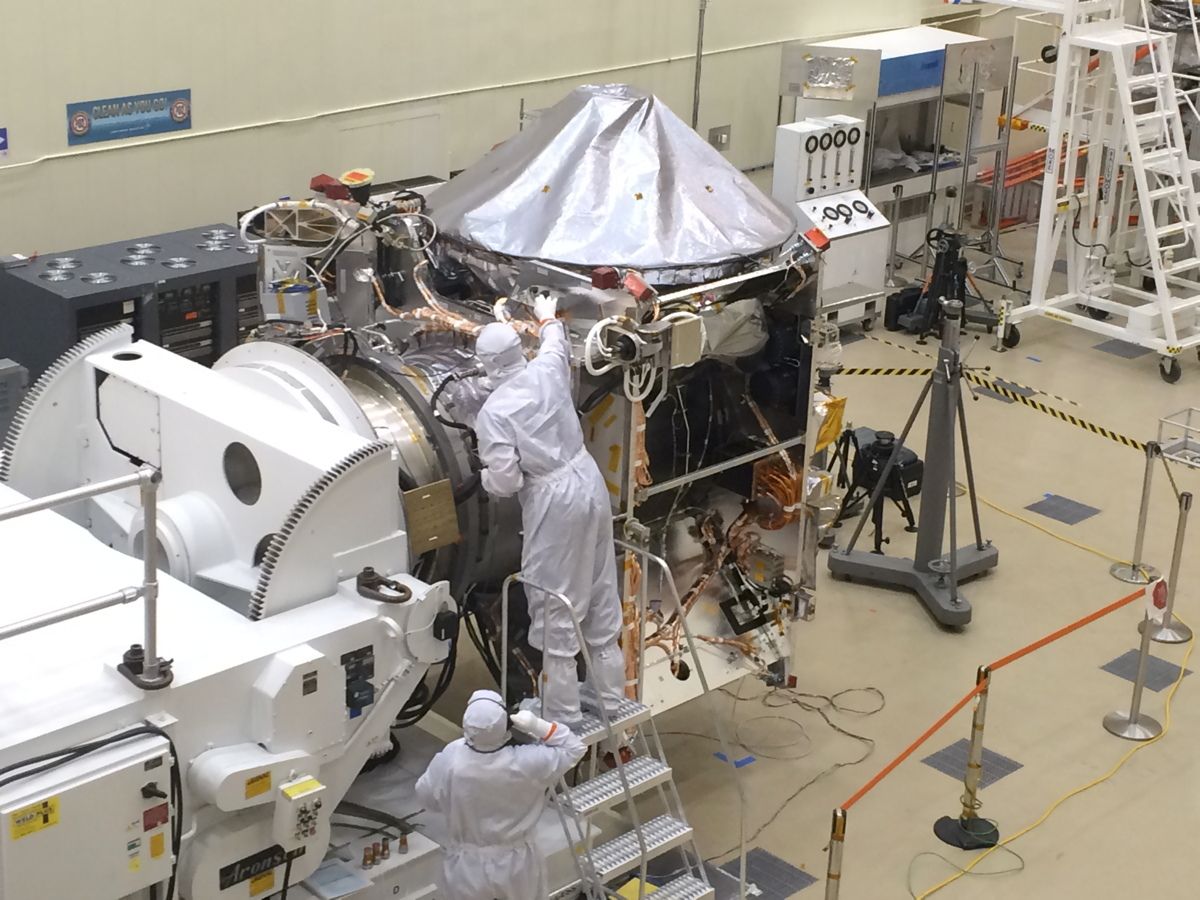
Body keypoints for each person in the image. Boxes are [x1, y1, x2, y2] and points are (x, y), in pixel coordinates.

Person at [472, 292, 626, 726]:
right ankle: (610, 702)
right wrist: (544, 316)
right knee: (598, 588)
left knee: (554, 604)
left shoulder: (494, 414)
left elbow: (505, 483)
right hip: (588, 479)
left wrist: (481, 474)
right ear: (518, 351)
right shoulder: (547, 369)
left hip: (552, 501)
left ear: (486, 365)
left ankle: (564, 718)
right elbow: (556, 340)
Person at [415, 690, 586, 900]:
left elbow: (426, 798)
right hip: (517, 864)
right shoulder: (527, 763)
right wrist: (536, 725)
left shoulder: (452, 758)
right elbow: (574, 748)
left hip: (467, 865)